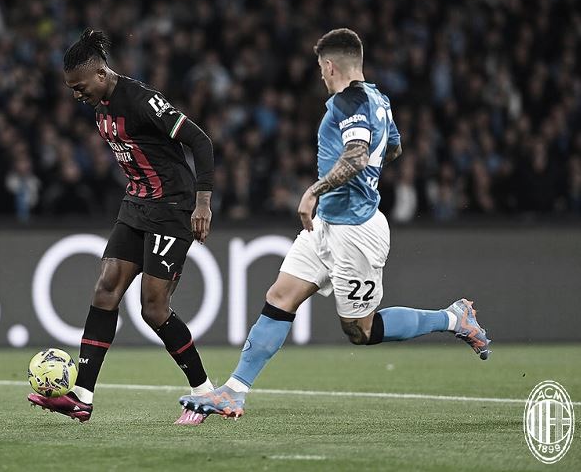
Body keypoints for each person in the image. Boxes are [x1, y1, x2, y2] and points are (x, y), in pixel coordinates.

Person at [180, 28, 492, 418]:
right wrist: (354, 182)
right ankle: (234, 391)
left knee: (359, 331)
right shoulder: (378, 98)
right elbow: (392, 147)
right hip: (328, 224)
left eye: (320, 68)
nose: (320, 76)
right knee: (280, 296)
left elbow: (359, 154)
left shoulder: (348, 102)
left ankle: (453, 318)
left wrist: (315, 189)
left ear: (330, 65)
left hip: (355, 232)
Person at [28, 29, 215, 424]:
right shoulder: (99, 105)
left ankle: (204, 393)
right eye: (71, 90)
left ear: (100, 74)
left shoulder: (143, 100)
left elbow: (201, 142)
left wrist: (202, 203)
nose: (76, 95)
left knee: (154, 308)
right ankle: (81, 396)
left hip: (172, 206)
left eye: (80, 87)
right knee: (105, 290)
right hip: (136, 204)